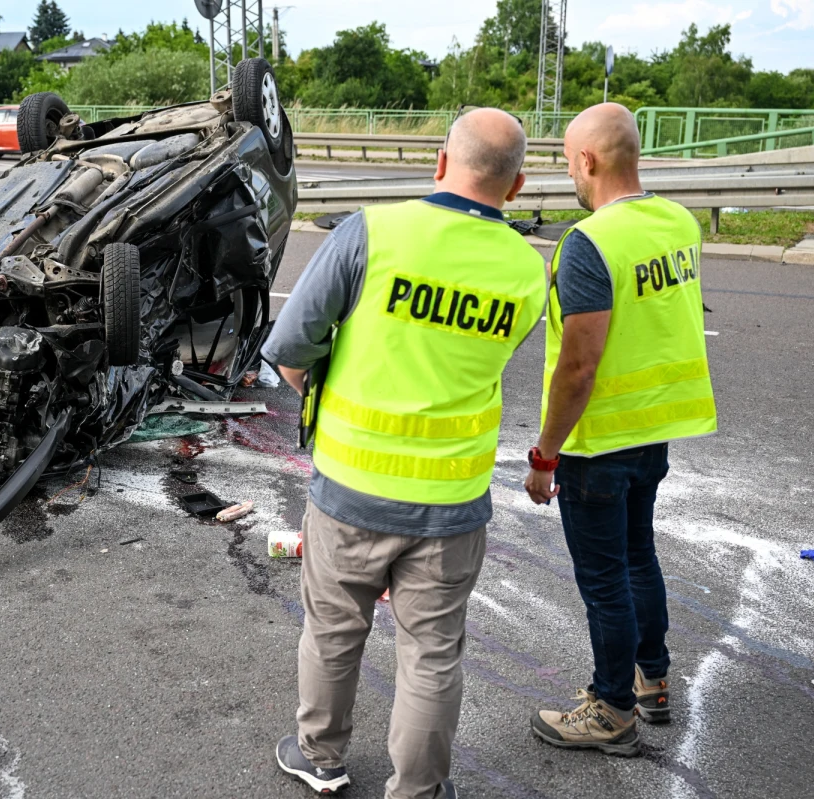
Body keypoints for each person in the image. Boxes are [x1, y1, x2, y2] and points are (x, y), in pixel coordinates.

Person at [262, 108, 547, 799]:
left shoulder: (373, 230)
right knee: (432, 653)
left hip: (352, 486)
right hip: (452, 499)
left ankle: (320, 755)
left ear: (441, 162)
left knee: (333, 630)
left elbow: (290, 347)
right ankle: (418, 789)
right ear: (516, 188)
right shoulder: (528, 268)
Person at [523, 103, 717, 756]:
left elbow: (578, 365)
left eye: (567, 161)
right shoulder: (677, 222)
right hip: (655, 427)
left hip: (599, 439)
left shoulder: (590, 242)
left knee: (605, 576)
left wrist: (544, 454)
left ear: (587, 160)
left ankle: (611, 707)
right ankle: (652, 679)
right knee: (638, 555)